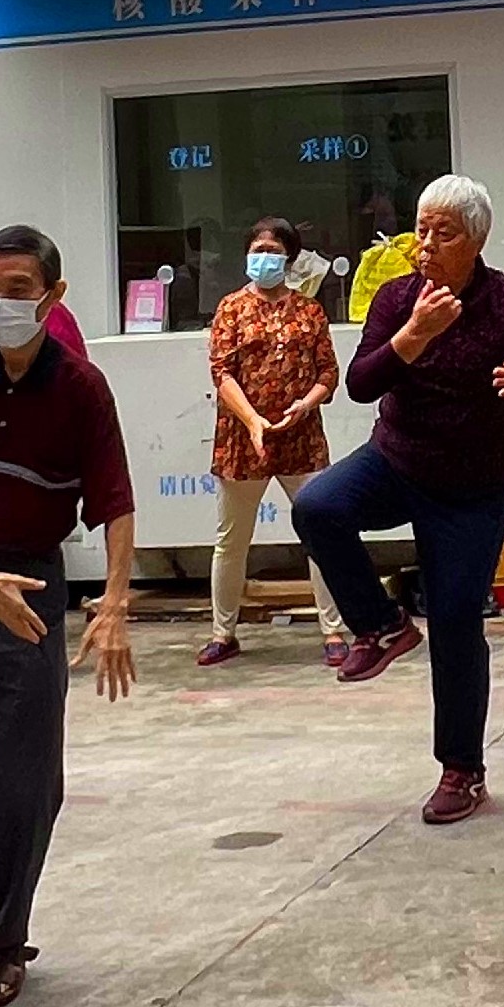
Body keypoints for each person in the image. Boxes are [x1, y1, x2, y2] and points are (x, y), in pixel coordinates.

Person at [0, 224, 140, 1007]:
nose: (0, 303)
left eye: (19, 289)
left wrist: (112, 603)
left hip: (34, 586)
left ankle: (0, 945)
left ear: (53, 295)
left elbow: (114, 500)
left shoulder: (80, 388)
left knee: (24, 780)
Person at [294, 173, 504, 826]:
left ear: (476, 241)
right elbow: (361, 382)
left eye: (444, 232)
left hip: (471, 486)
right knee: (318, 505)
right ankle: (382, 624)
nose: (426, 243)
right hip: (396, 459)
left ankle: (462, 768)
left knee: (457, 621)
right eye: (421, 228)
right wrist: (414, 334)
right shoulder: (398, 294)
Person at [201, 216, 347, 670]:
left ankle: (333, 630)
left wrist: (306, 404)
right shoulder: (230, 308)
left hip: (301, 438)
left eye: (273, 251)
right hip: (243, 440)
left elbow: (329, 372)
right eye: (256, 249)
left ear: (289, 258)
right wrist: (252, 421)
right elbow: (221, 371)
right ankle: (223, 632)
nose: (263, 258)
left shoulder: (309, 311)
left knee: (321, 533)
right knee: (231, 540)